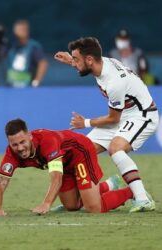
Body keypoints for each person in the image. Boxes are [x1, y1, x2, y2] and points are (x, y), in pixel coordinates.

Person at [54, 37, 158, 212]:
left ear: (89, 60)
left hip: (142, 116)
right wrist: (71, 61)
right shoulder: (100, 63)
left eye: (77, 59)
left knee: (116, 148)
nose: (75, 63)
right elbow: (85, 63)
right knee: (80, 153)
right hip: (125, 115)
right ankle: (80, 199)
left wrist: (85, 122)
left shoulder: (114, 82)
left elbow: (113, 119)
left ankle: (142, 199)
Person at [0, 119, 134, 216]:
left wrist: (46, 204)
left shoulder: (47, 141)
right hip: (64, 164)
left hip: (80, 154)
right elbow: (1, 182)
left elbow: (56, 177)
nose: (20, 148)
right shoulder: (11, 153)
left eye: (22, 142)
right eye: (14, 144)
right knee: (72, 206)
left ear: (29, 136)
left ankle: (132, 191)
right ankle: (108, 186)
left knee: (93, 208)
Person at [6, 20, 48, 88]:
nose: (16, 32)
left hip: (27, 86)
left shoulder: (33, 47)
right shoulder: (11, 47)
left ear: (26, 31)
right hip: (11, 85)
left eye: (20, 30)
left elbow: (43, 63)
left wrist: (37, 81)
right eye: (16, 30)